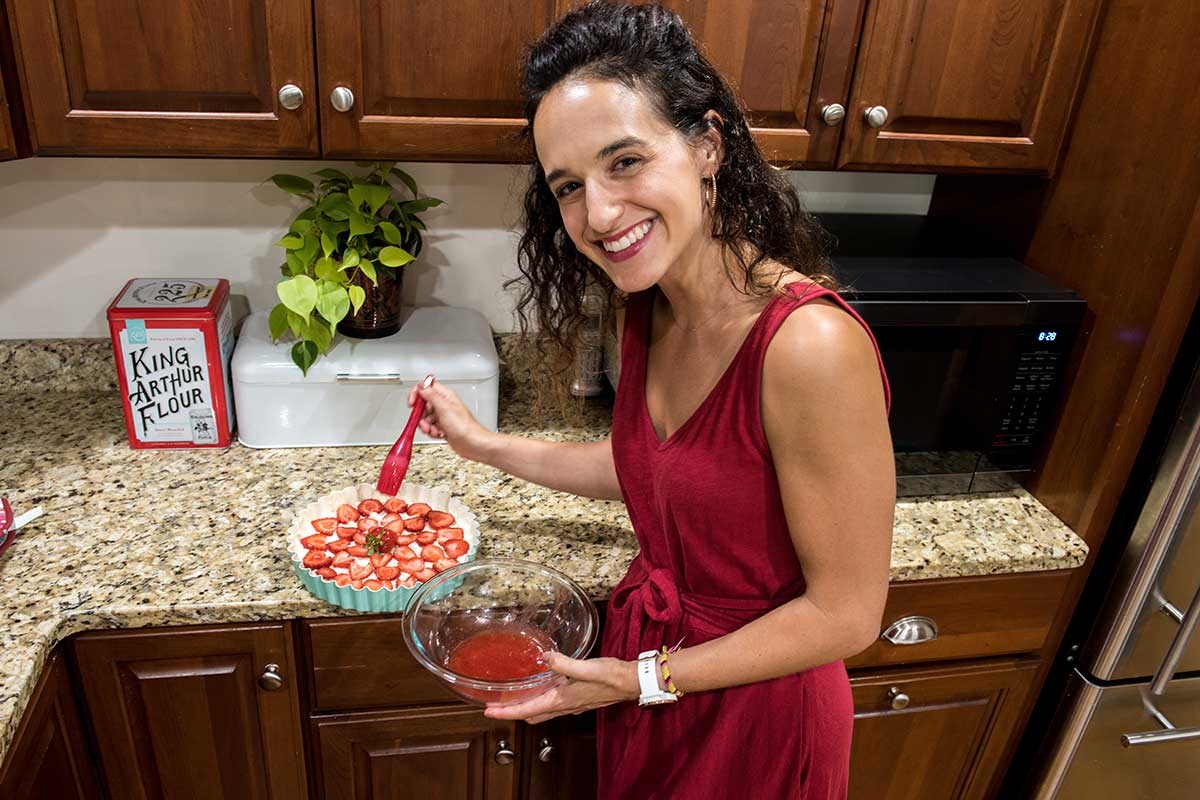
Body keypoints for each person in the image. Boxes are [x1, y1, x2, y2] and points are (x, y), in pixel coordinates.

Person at [407, 2, 894, 797]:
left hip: (757, 712)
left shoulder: (806, 346)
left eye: (625, 162)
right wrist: (482, 445)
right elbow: (656, 467)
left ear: (707, 144)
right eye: (569, 186)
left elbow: (846, 615)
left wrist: (643, 680)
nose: (597, 215)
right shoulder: (649, 307)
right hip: (655, 675)